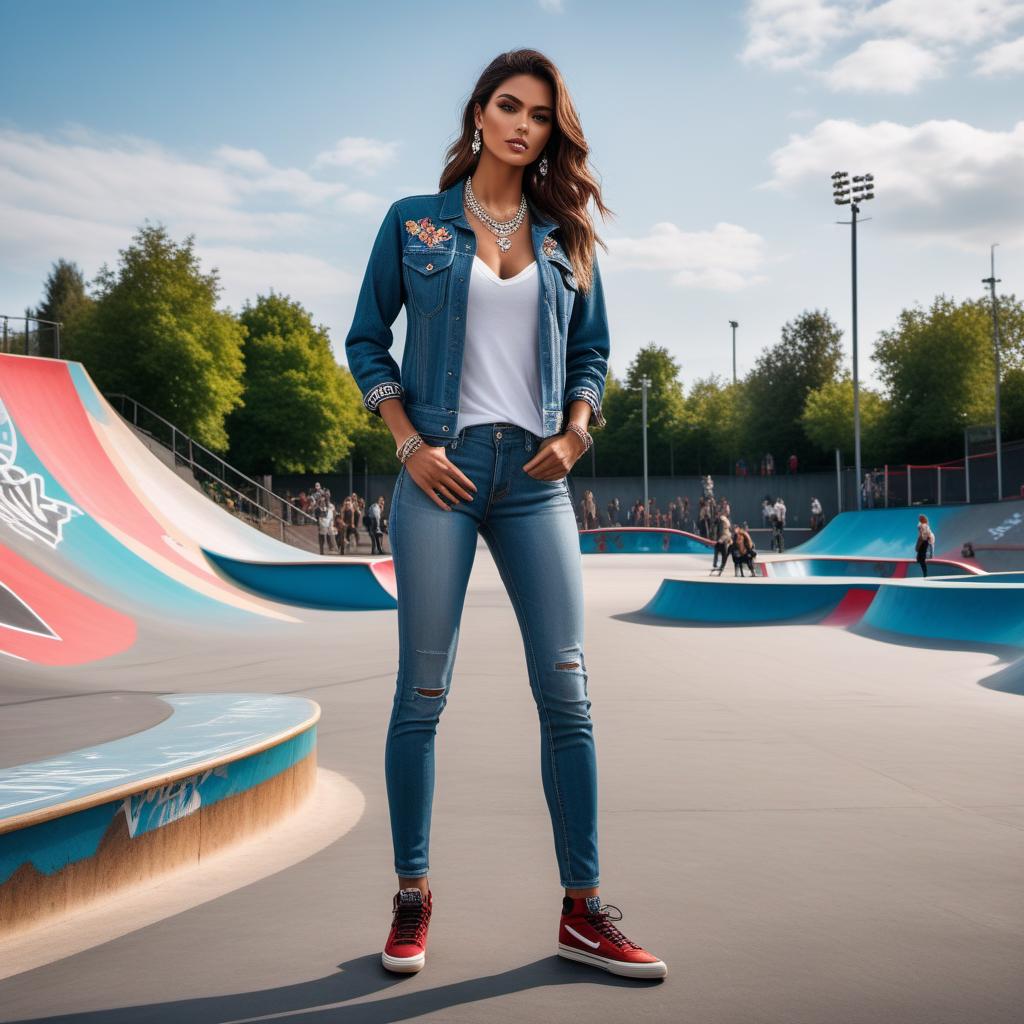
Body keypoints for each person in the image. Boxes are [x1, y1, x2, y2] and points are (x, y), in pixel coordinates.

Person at [342, 49, 664, 980]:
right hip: (438, 471)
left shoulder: (567, 239)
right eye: (509, 106)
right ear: (479, 113)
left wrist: (577, 431)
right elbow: (367, 339)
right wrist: (408, 443)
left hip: (536, 480)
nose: (523, 125)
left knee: (568, 691)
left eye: (541, 117)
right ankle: (412, 895)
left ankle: (582, 907)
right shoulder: (414, 225)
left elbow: (593, 355)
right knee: (423, 694)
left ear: (550, 135)